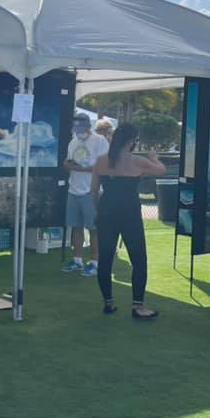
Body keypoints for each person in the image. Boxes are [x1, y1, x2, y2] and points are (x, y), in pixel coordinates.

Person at [92, 123, 167, 319]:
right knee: (139, 260)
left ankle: (108, 303)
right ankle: (138, 306)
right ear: (132, 140)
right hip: (130, 214)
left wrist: (99, 211)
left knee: (105, 260)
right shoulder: (137, 161)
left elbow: (93, 192)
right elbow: (161, 170)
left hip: (106, 213)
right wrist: (153, 157)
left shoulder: (101, 160)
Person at [62, 114, 110, 276]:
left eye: (81, 128)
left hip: (91, 191)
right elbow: (69, 161)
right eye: (76, 129)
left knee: (93, 228)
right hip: (73, 190)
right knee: (76, 226)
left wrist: (78, 168)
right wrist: (67, 165)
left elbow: (103, 166)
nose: (79, 132)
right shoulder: (73, 142)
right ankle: (77, 260)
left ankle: (95, 263)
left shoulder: (100, 141)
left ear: (89, 126)